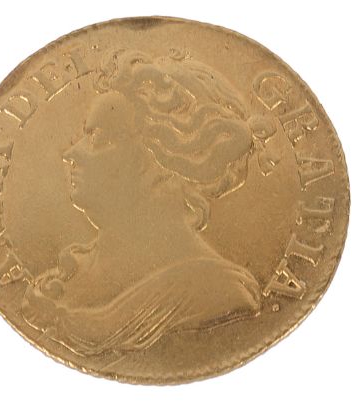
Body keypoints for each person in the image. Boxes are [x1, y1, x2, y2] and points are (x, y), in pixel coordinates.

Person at [21, 49, 274, 356]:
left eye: (98, 137)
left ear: (164, 165)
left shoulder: (216, 294)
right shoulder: (74, 269)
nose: (71, 154)